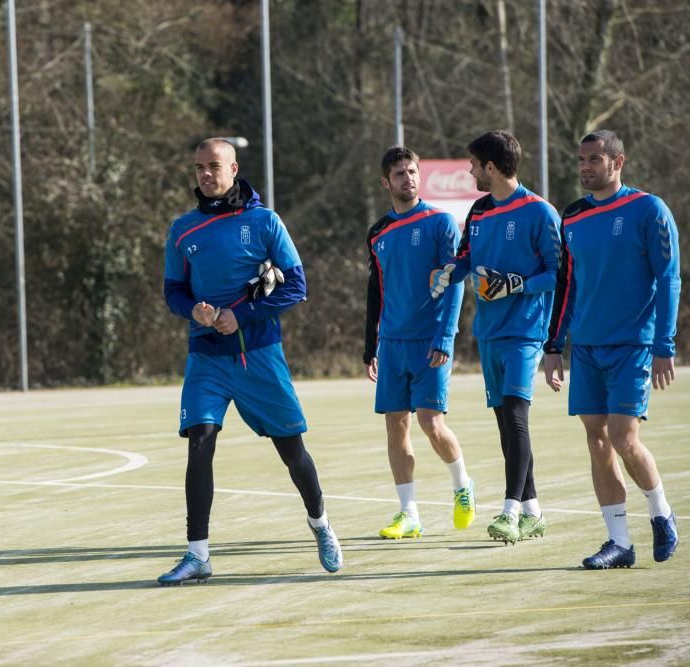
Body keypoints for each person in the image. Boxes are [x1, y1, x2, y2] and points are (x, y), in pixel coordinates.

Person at [158, 138, 342, 585]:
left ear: (234, 168)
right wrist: (195, 311)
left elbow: (296, 286)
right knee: (199, 442)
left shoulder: (264, 221)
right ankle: (197, 554)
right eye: (199, 167)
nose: (205, 174)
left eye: (213, 166)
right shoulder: (182, 229)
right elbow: (173, 292)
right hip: (206, 358)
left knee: (291, 451)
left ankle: (320, 523)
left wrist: (237, 315)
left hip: (257, 356)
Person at [544, 130, 680, 569]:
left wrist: (664, 344)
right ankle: (618, 542)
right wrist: (554, 345)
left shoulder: (648, 209)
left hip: (633, 346)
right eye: (581, 159)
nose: (585, 167)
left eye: (594, 159)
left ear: (617, 162)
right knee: (597, 439)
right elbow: (567, 285)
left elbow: (669, 279)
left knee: (624, 437)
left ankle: (660, 512)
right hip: (585, 347)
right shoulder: (573, 216)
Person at [430, 130, 561, 544]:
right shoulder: (478, 212)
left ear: (490, 166)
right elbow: (468, 256)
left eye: (473, 164)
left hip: (524, 331)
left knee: (517, 416)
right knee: (506, 423)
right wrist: (451, 270)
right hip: (488, 331)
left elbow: (559, 274)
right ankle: (533, 511)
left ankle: (508, 511)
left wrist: (515, 284)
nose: (469, 171)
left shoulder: (540, 213)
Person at [364, 146, 475, 540]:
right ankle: (409, 512)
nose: (408, 178)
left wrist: (446, 336)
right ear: (386, 182)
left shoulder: (441, 223)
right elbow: (376, 291)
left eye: (412, 171)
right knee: (396, 427)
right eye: (399, 174)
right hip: (392, 343)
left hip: (430, 341)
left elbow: (454, 282)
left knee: (431, 423)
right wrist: (369, 346)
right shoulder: (378, 233)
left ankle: (462, 486)